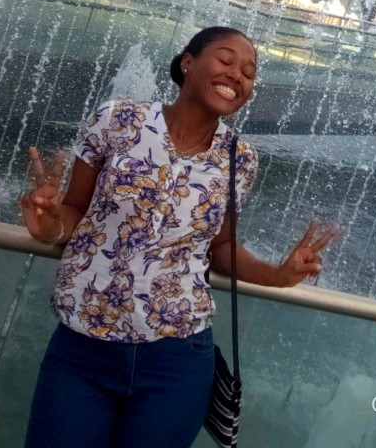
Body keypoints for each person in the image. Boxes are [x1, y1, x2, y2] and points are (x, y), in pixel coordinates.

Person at [19, 26, 337, 448]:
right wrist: (49, 226)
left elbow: (219, 247)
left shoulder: (239, 158)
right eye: (225, 60)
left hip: (177, 359)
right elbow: (76, 211)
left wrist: (278, 274)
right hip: (82, 347)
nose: (237, 75)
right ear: (188, 62)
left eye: (248, 71)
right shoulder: (117, 119)